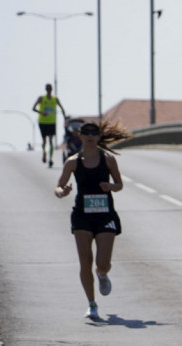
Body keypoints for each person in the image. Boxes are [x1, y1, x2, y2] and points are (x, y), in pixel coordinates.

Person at [54, 120, 132, 320]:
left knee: (102, 263)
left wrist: (110, 186)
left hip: (105, 214)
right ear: (80, 136)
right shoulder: (72, 161)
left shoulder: (108, 159)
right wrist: (63, 192)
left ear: (98, 136)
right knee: (85, 261)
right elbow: (58, 187)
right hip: (82, 215)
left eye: (93, 132)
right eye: (85, 132)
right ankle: (91, 304)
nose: (89, 135)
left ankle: (103, 274)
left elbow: (119, 184)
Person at [33, 83, 67, 168]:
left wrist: (65, 118)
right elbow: (33, 108)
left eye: (50, 88)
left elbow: (62, 109)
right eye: (47, 88)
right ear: (45, 89)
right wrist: (41, 112)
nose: (49, 90)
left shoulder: (55, 99)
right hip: (43, 121)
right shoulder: (41, 98)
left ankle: (50, 159)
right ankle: (44, 152)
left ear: (52, 89)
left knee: (51, 140)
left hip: (52, 122)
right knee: (44, 140)